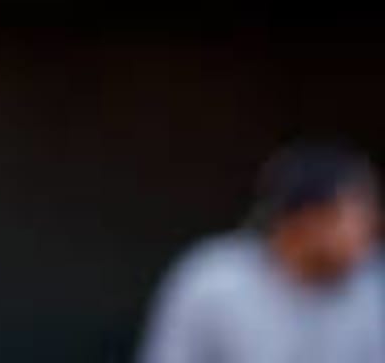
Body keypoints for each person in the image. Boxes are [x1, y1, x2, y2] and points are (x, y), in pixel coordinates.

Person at [138, 142, 384, 363]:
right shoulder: (214, 280)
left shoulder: (373, 288)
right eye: (359, 212)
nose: (373, 225)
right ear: (308, 218)